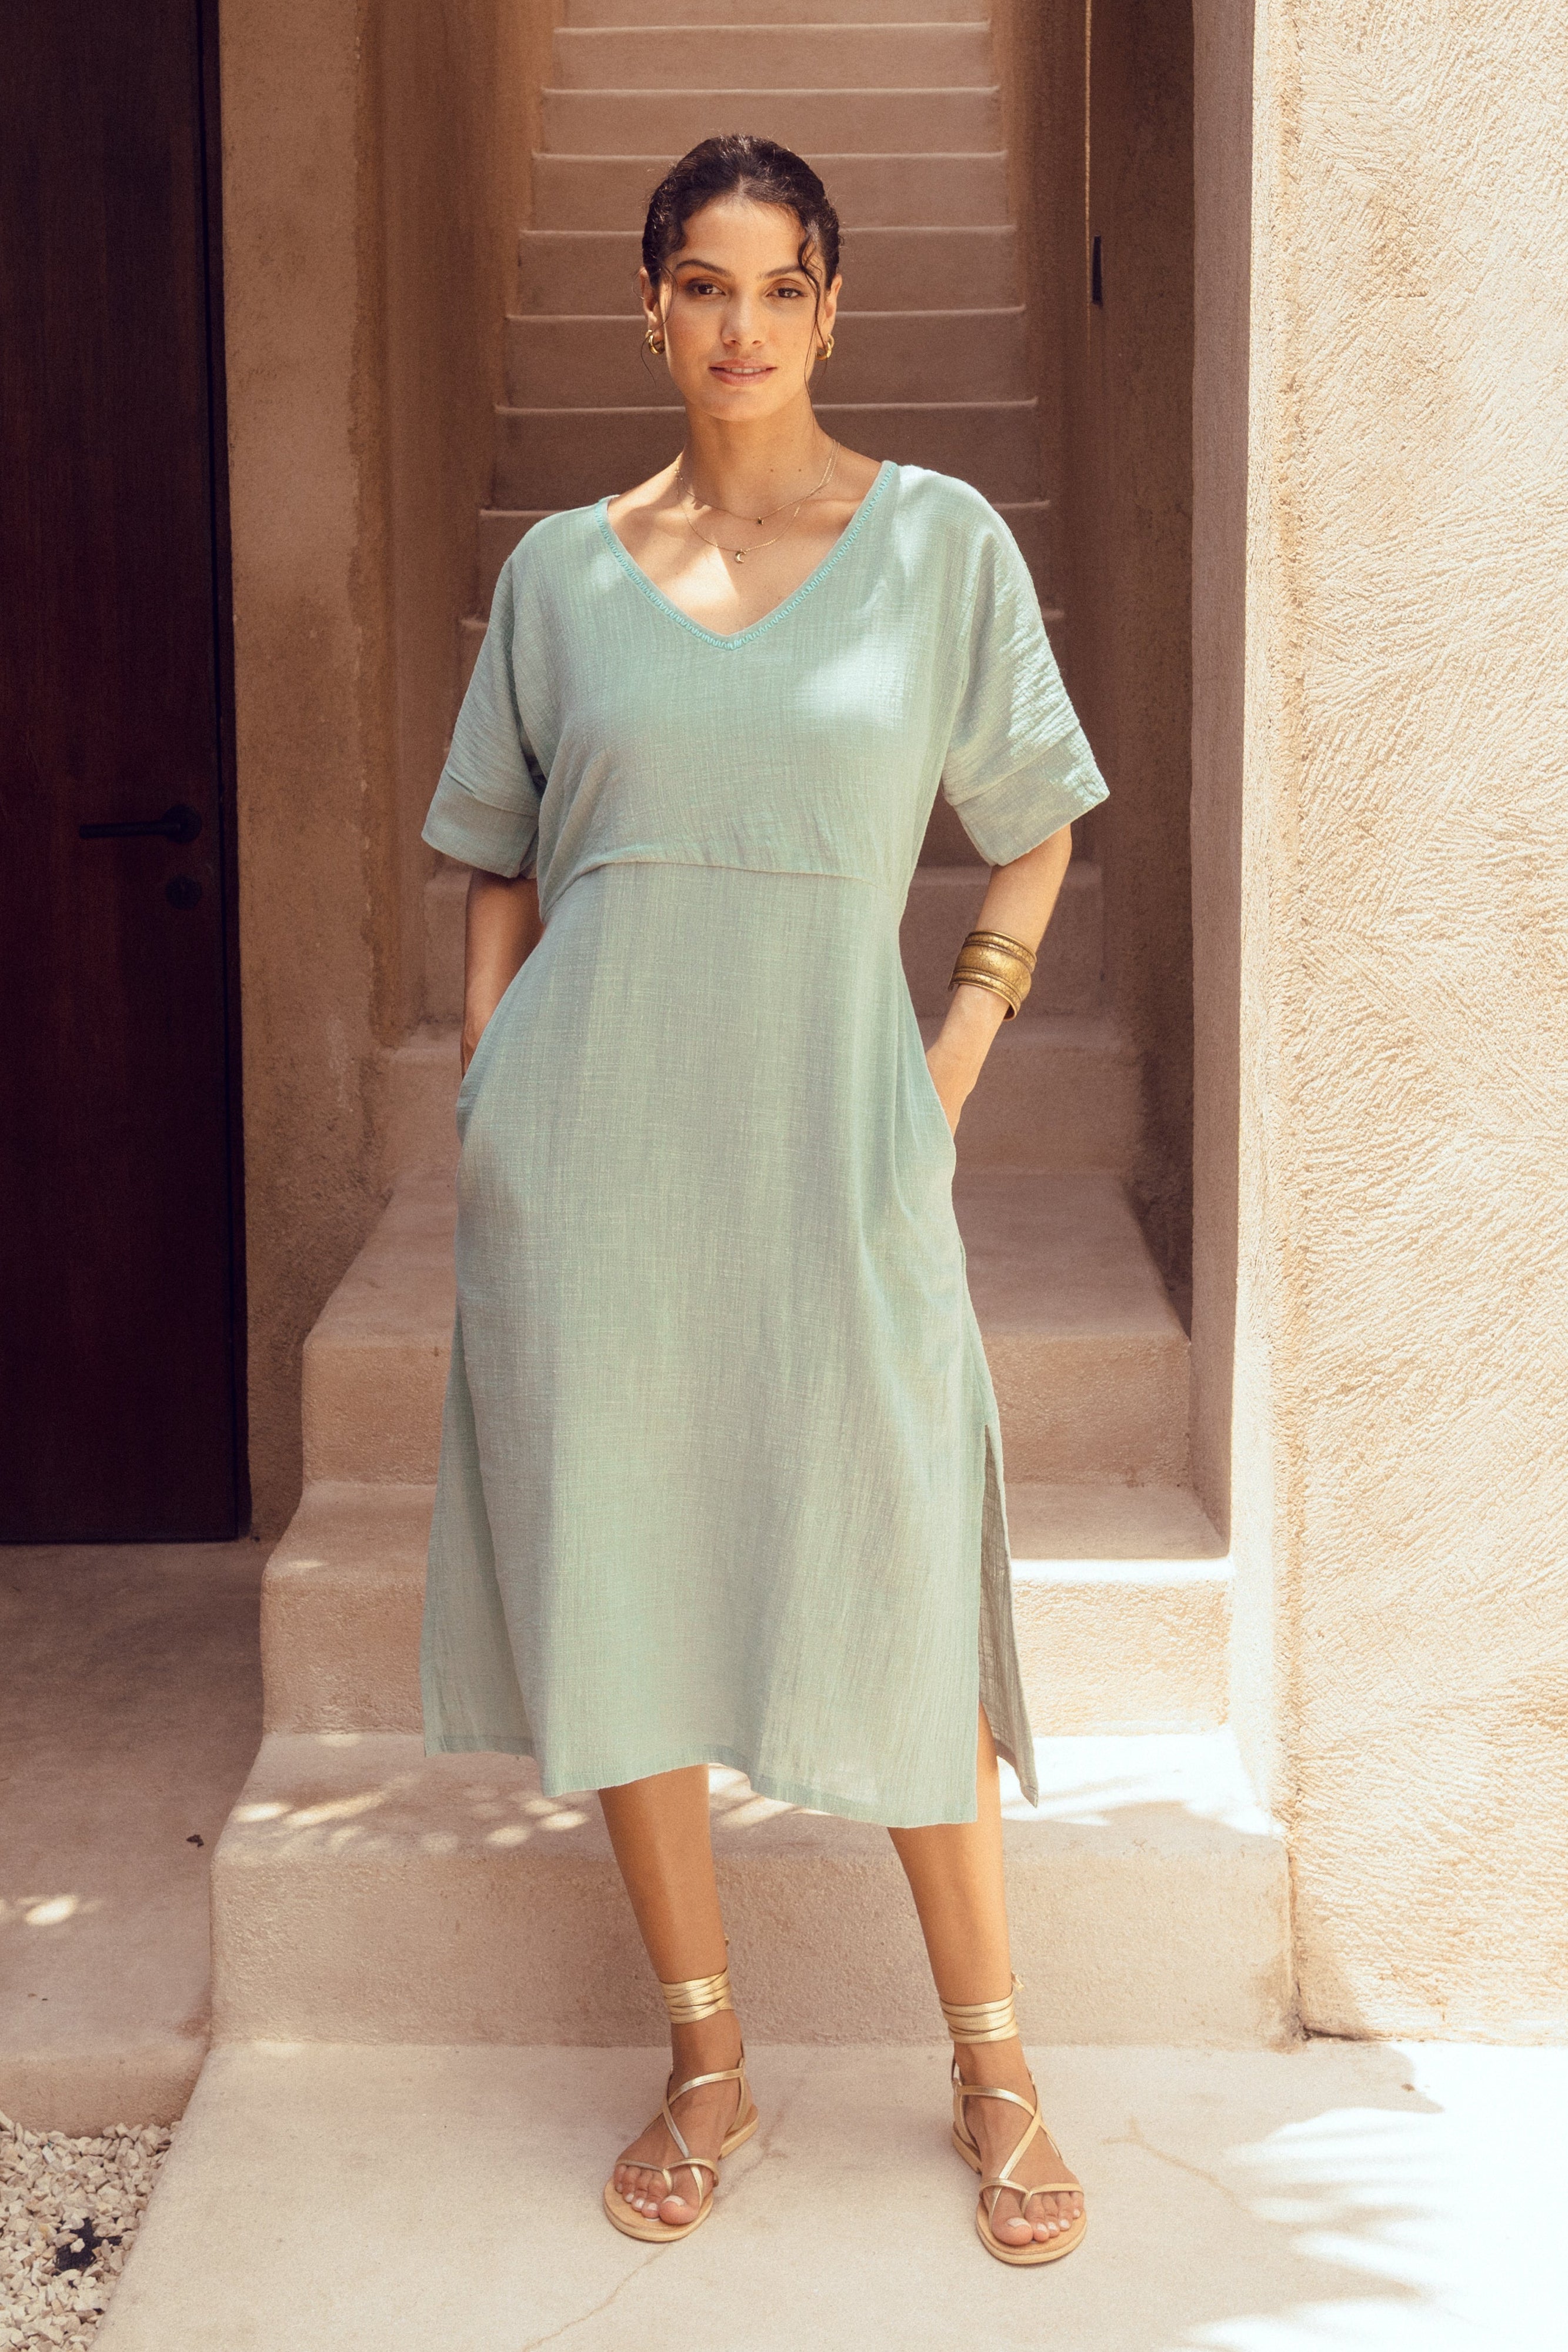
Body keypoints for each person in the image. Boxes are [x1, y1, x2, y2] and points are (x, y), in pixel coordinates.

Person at [419, 135, 1105, 2266]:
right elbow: (498, 850)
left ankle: (992, 2063)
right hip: (591, 1161)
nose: (741, 326)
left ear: (831, 307)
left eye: (779, 286)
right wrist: (489, 1080)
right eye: (702, 285)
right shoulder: (561, 575)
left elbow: (1035, 825)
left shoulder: (937, 545)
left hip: (836, 1143)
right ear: (648, 307)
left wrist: (951, 1059)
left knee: (893, 1574)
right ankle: (705, 2059)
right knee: (621, 1586)